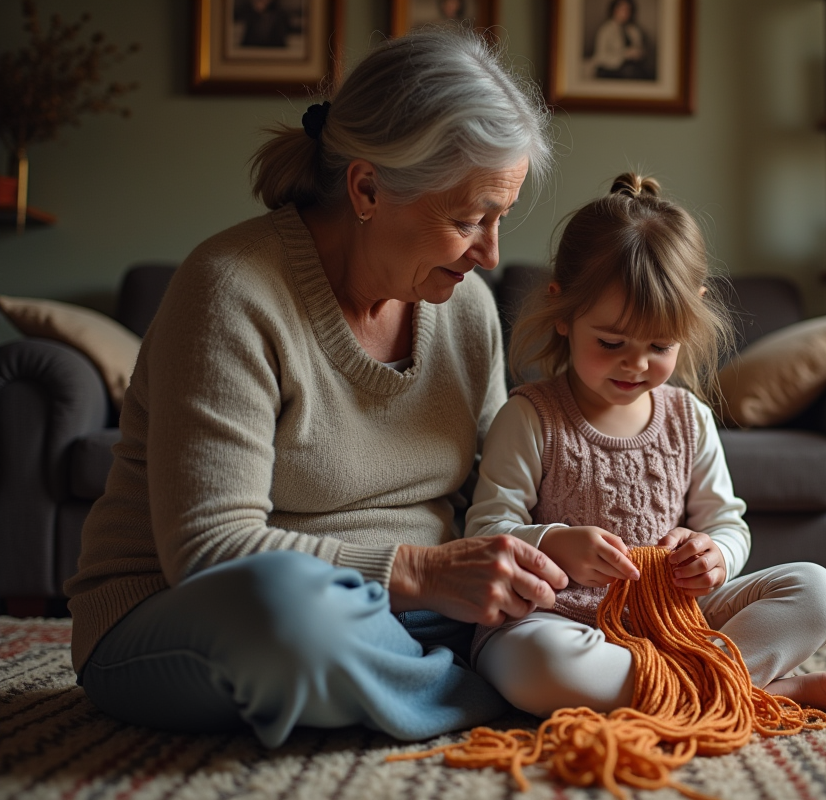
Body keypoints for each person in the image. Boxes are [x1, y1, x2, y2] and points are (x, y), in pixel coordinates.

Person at [63, 29, 565, 748]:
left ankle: (424, 680)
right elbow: (209, 548)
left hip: (404, 618)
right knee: (293, 616)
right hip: (195, 613)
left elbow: (491, 497)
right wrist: (419, 570)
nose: (489, 253)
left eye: (499, 219)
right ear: (367, 187)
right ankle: (492, 697)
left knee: (564, 607)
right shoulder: (232, 289)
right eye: (467, 219)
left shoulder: (468, 308)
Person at [465, 173, 826, 721]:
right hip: (559, 618)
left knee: (819, 593)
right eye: (611, 343)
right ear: (562, 312)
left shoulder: (688, 419)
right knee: (538, 663)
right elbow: (485, 532)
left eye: (659, 345)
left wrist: (715, 556)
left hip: (674, 621)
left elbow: (728, 524)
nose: (636, 364)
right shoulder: (530, 416)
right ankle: (745, 687)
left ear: (690, 315)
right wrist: (554, 543)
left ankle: (682, 686)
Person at [589, 0, 652, 80]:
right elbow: (600, 56)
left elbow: (639, 48)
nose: (626, 13)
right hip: (610, 67)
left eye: (628, 10)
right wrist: (624, 54)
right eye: (623, 9)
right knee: (630, 73)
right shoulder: (605, 30)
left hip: (631, 66)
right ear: (615, 10)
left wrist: (639, 53)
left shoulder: (633, 30)